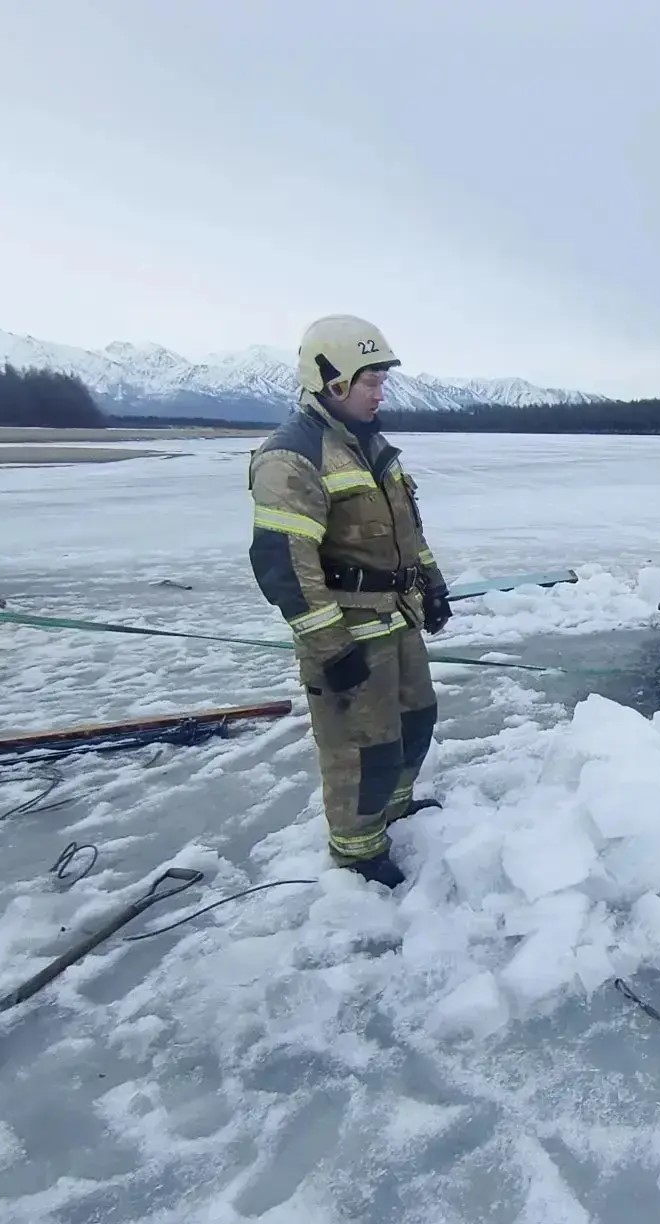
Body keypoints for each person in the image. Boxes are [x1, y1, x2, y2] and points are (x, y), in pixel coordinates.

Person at [246, 315, 452, 889]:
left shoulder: (370, 445)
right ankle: (357, 852)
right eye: (371, 382)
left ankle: (395, 809)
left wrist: (431, 586)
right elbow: (286, 565)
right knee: (362, 747)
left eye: (382, 381)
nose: (380, 393)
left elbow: (407, 529)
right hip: (348, 627)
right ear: (332, 382)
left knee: (416, 719)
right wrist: (330, 647)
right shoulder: (293, 456)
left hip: (398, 618)